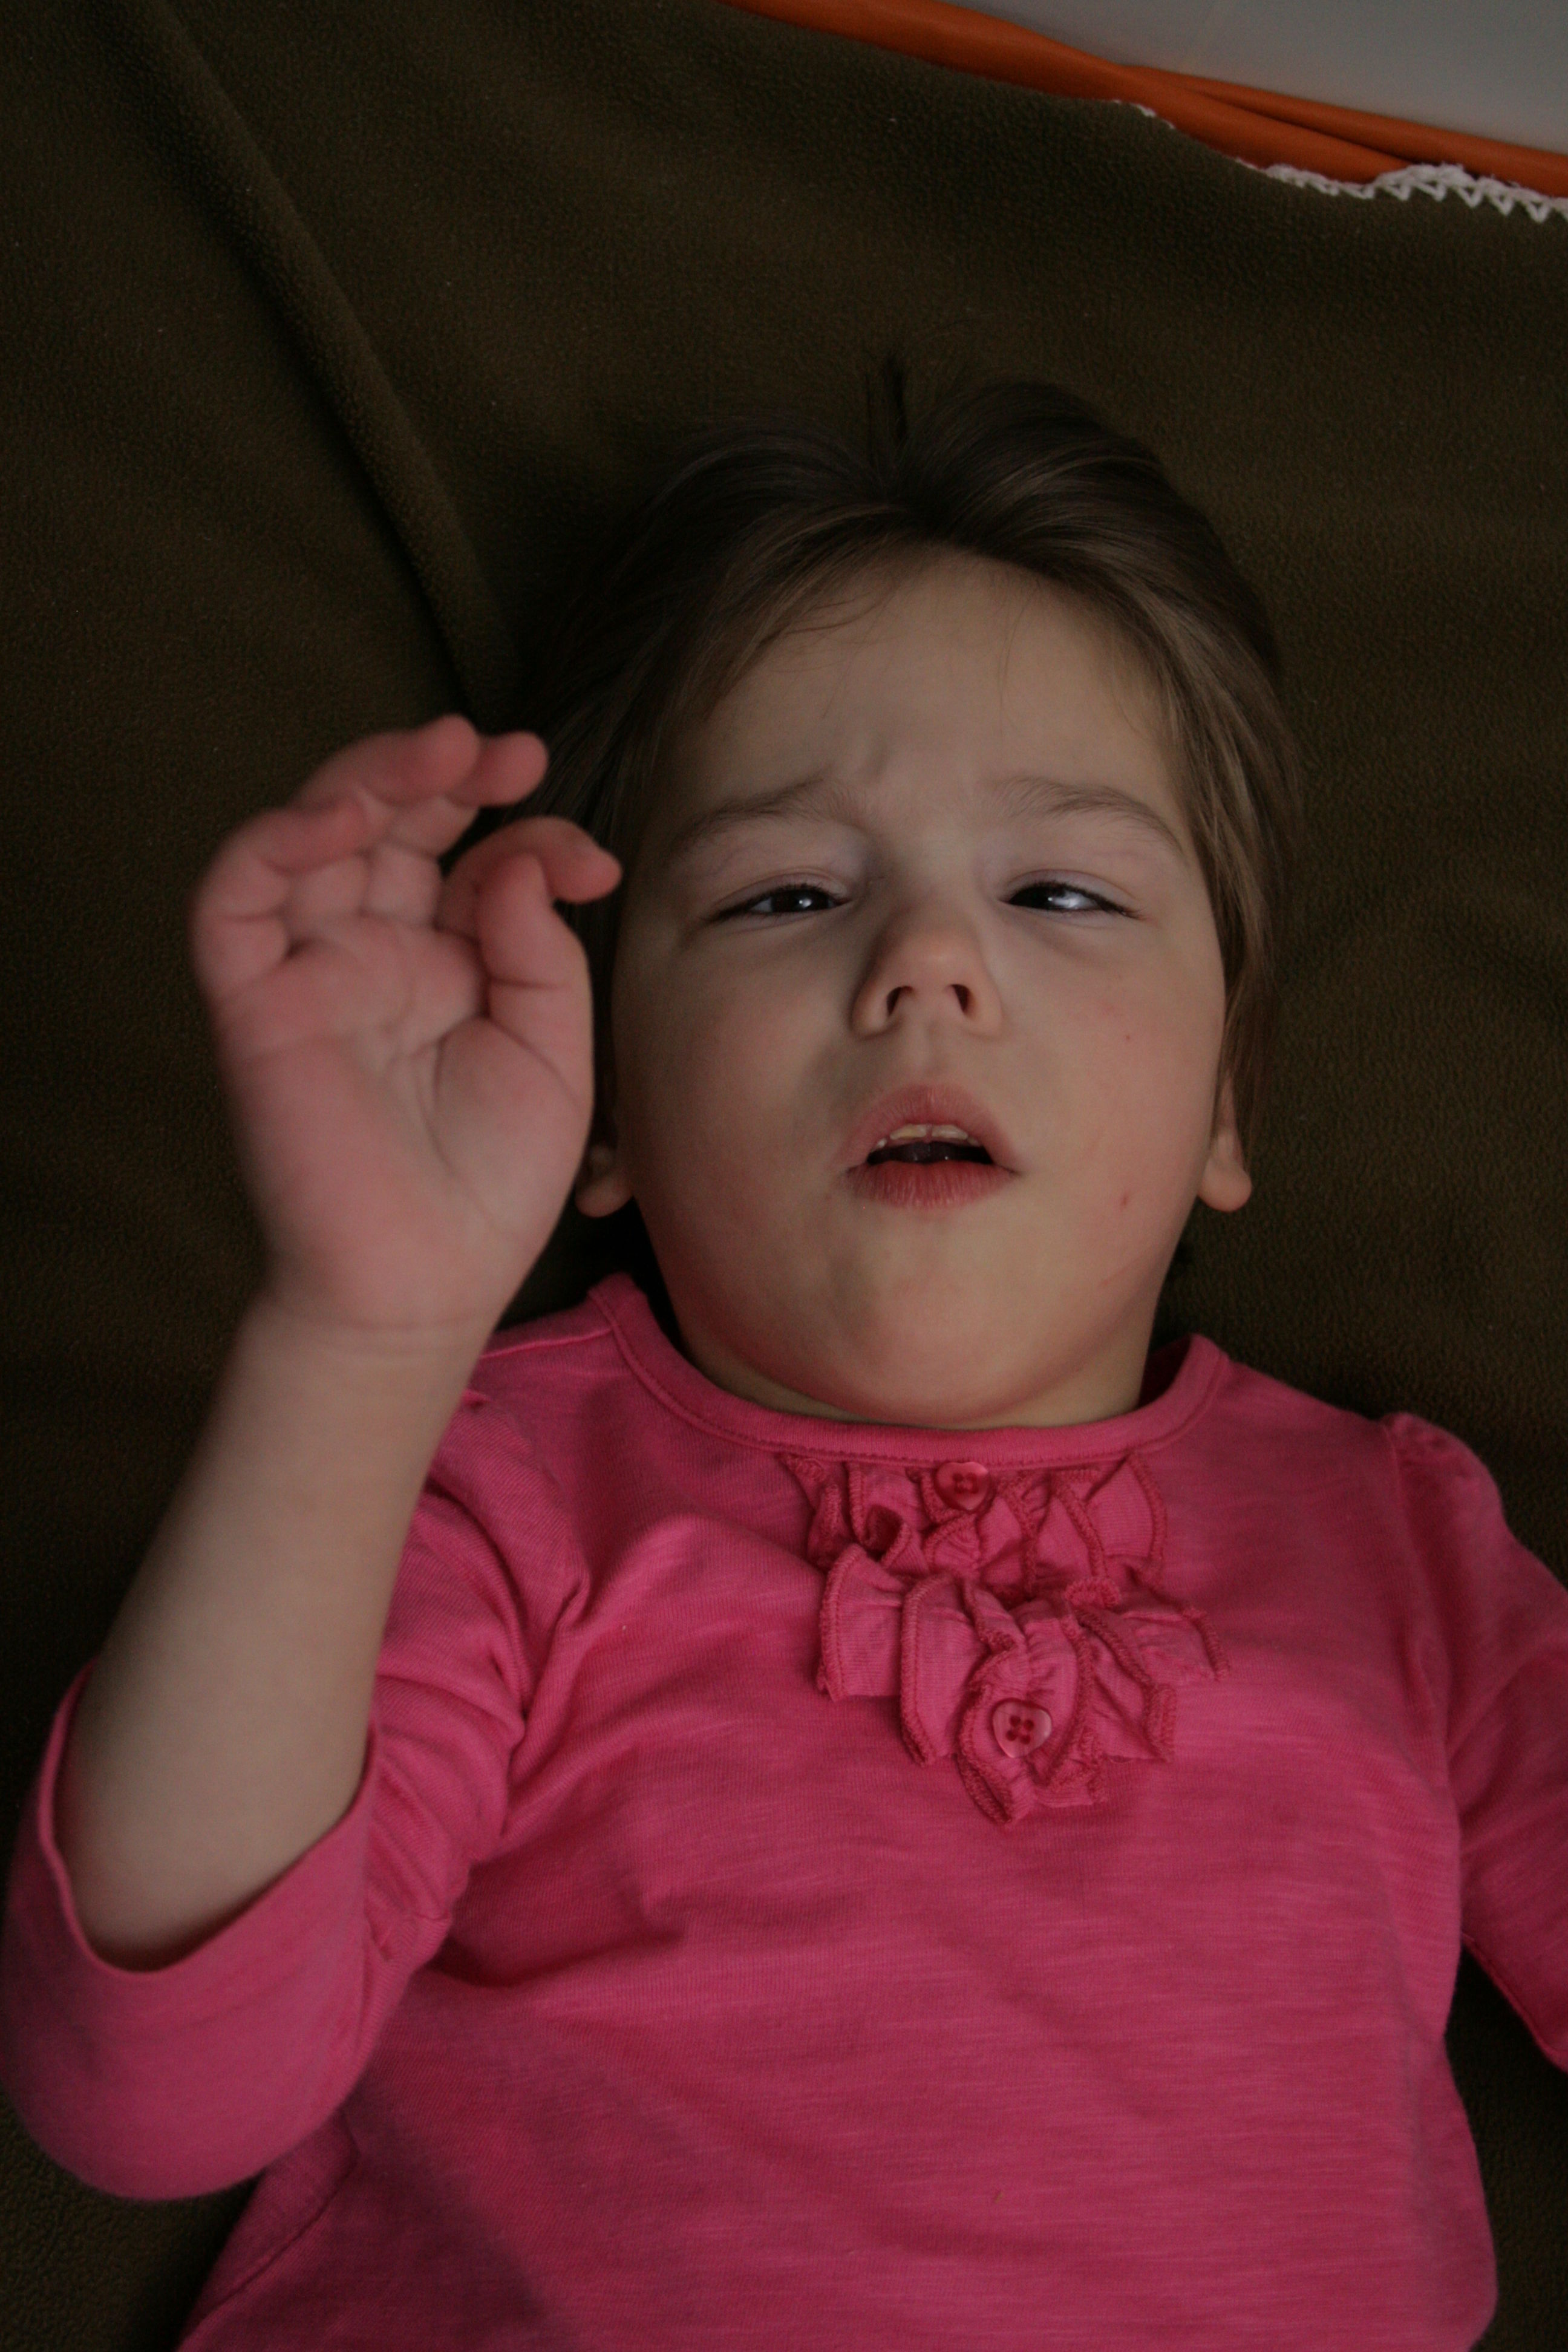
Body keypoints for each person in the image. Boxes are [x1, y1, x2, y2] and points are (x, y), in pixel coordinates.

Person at [2, 375, 1564, 2351]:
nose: (927, 965)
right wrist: (359, 1332)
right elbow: (149, 2098)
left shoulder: (1402, 1553)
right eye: (787, 894)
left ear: (1228, 1106)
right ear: (606, 1101)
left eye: (1062, 891)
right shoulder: (489, 1494)